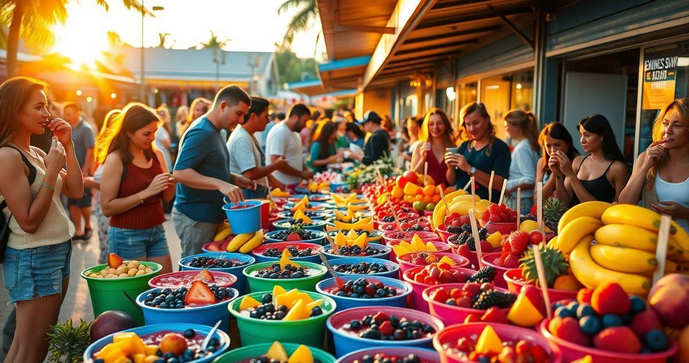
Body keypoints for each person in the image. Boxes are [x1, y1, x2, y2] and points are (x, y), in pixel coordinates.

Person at [0, 76, 83, 363]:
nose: (47, 115)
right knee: (32, 351)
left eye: (46, 107)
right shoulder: (8, 157)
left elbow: (76, 189)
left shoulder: (34, 152)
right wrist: (50, 172)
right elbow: (28, 221)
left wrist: (68, 147)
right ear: (15, 111)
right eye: (39, 107)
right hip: (34, 257)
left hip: (56, 252)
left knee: (25, 347)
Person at [172, 86, 255, 257]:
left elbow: (206, 168)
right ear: (223, 105)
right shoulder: (202, 131)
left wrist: (233, 178)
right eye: (238, 113)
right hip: (195, 217)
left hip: (208, 217)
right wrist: (220, 184)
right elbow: (179, 173)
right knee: (195, 273)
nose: (241, 120)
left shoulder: (217, 131)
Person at [99, 103, 174, 273]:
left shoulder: (157, 155)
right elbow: (107, 207)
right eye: (146, 133)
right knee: (133, 292)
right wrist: (146, 193)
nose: (152, 138)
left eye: (154, 132)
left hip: (156, 230)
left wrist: (172, 182)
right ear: (129, 132)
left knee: (163, 286)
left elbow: (166, 198)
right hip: (127, 234)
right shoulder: (116, 159)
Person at [620, 98, 689, 232]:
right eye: (665, 123)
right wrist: (645, 167)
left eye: (677, 125)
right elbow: (624, 204)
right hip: (650, 245)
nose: (667, 131)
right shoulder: (645, 159)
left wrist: (685, 213)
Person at [553, 114, 629, 206]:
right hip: (573, 219)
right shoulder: (578, 161)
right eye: (580, 135)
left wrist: (571, 175)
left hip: (599, 219)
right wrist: (557, 174)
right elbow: (563, 203)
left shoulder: (617, 168)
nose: (582, 140)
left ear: (602, 136)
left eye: (587, 135)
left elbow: (618, 207)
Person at [444, 102, 510, 203]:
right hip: (460, 206)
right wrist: (450, 168)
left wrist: (470, 169)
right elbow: (452, 181)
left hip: (486, 210)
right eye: (468, 124)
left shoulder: (500, 148)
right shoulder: (464, 146)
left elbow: (500, 184)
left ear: (487, 120)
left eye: (475, 123)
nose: (471, 128)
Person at [227, 96, 288, 198]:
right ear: (254, 116)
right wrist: (276, 166)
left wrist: (273, 181)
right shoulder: (241, 138)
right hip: (248, 195)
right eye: (266, 116)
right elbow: (250, 173)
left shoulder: (248, 135)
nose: (268, 121)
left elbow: (257, 167)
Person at [86, 109, 122, 264]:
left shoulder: (119, 155)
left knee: (113, 252)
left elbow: (119, 186)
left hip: (114, 209)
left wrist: (92, 183)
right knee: (104, 246)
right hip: (102, 208)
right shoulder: (105, 149)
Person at [63, 102, 95, 242]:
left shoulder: (85, 129)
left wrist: (85, 171)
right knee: (72, 203)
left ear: (77, 113)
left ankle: (88, 226)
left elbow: (90, 151)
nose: (66, 117)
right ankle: (79, 231)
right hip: (70, 172)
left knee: (83, 202)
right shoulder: (68, 127)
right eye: (65, 114)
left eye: (69, 114)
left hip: (82, 172)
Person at [266, 104, 314, 187]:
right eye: (304, 121)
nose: (306, 125)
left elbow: (295, 157)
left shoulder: (295, 132)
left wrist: (305, 170)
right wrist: (301, 174)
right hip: (281, 186)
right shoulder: (280, 132)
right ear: (295, 118)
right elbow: (275, 161)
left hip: (294, 184)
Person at [503, 110, 540, 212]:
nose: (505, 129)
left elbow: (530, 178)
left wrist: (510, 187)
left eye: (507, 126)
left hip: (520, 201)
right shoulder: (528, 144)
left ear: (517, 126)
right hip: (524, 199)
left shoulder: (522, 148)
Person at [411, 109, 456, 186]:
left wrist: (451, 168)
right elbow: (413, 177)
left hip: (446, 195)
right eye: (431, 124)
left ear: (445, 126)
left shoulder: (452, 148)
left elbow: (452, 182)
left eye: (439, 123)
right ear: (427, 127)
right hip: (425, 195)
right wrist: (422, 158)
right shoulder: (420, 146)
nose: (435, 127)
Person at [536, 122, 578, 203]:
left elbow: (564, 203)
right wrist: (554, 173)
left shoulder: (575, 162)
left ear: (567, 144)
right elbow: (538, 200)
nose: (553, 150)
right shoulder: (542, 162)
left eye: (557, 145)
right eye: (548, 146)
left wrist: (558, 174)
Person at [155, 104, 173, 170]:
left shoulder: (165, 127)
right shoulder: (160, 129)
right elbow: (168, 145)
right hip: (163, 156)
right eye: (160, 114)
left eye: (164, 115)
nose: (162, 117)